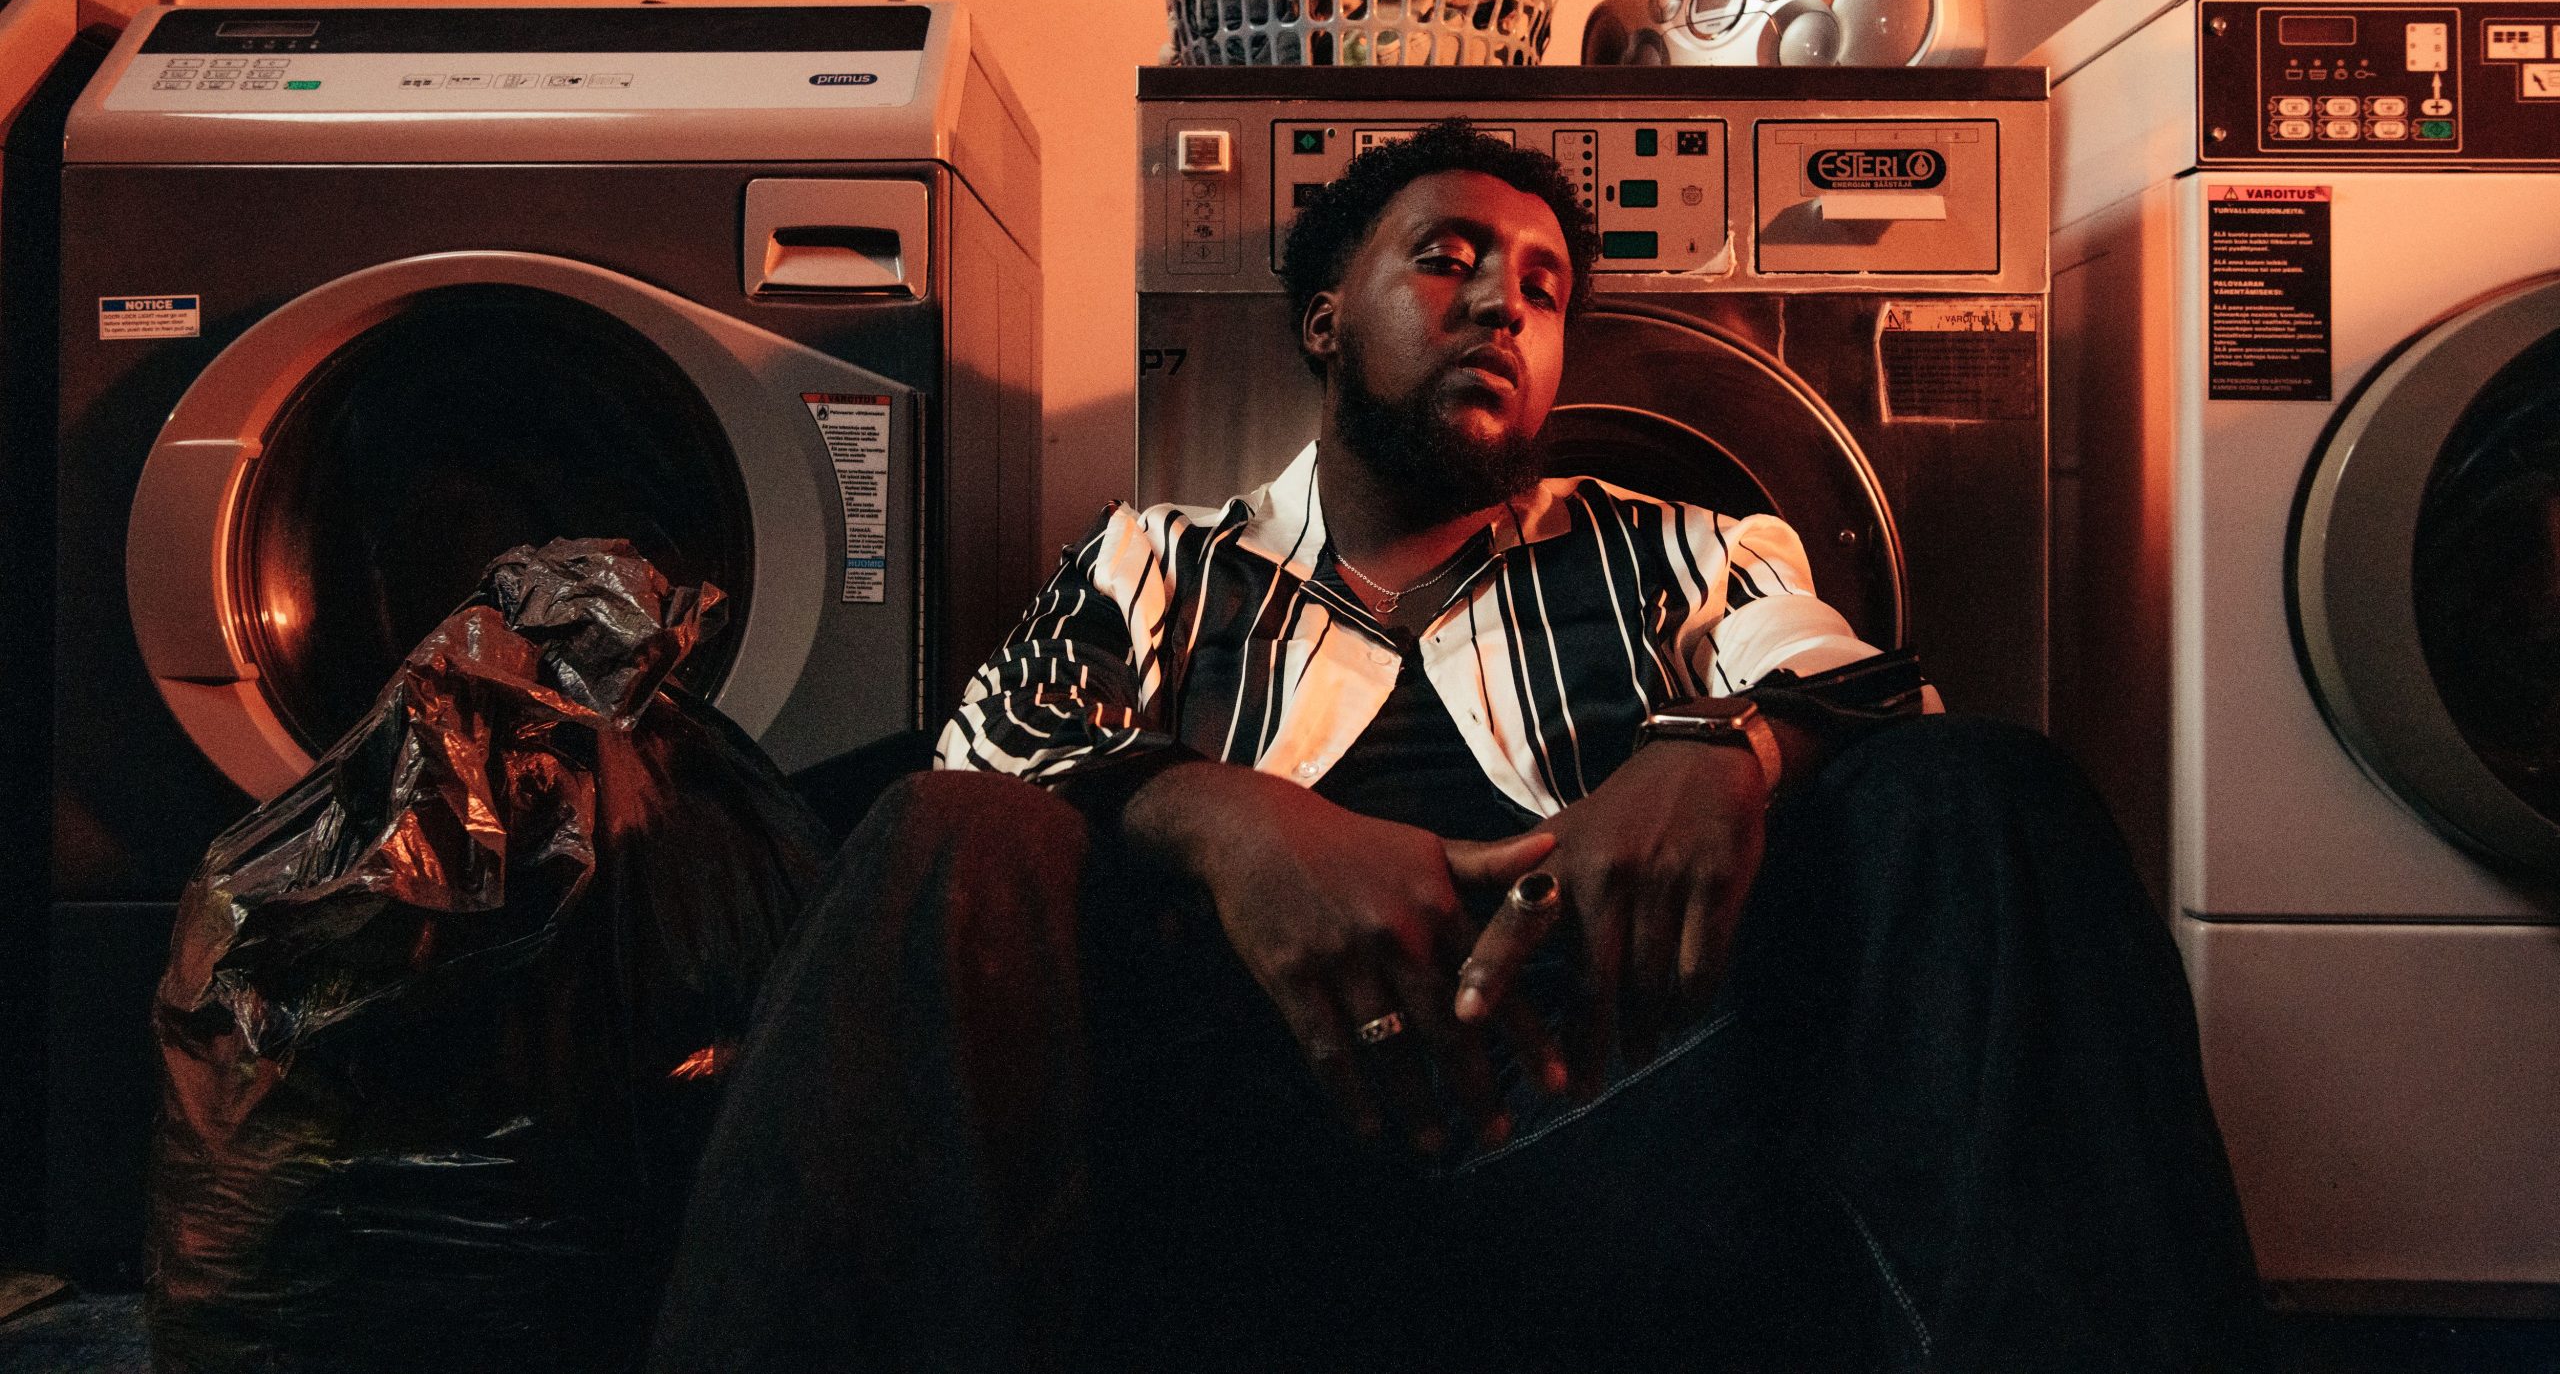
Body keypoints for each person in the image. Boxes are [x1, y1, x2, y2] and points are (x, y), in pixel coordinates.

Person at [649, 122, 2273, 1373]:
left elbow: (1858, 689)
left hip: (1616, 1132)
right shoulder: (1163, 557)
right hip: (1215, 1157)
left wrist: (1721, 753)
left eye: (1546, 287)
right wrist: (1227, 821)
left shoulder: (1690, 549)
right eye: (1449, 257)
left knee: (1986, 790)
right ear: (1320, 317)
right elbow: (995, 750)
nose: (1506, 297)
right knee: (945, 830)